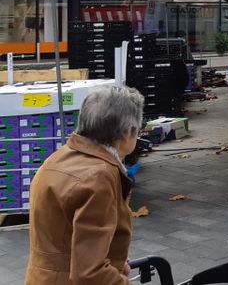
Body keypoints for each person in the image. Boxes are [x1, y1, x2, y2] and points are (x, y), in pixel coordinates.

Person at [26, 86, 144, 284]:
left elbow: (63, 234)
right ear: (126, 133)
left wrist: (113, 261)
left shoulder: (58, 158)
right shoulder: (99, 176)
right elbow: (90, 273)